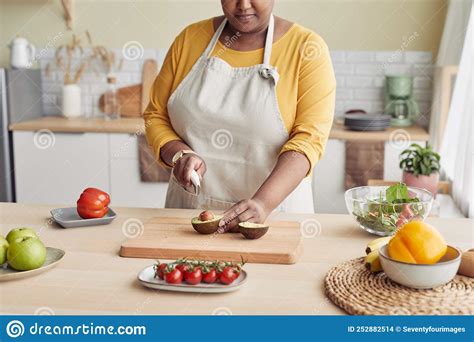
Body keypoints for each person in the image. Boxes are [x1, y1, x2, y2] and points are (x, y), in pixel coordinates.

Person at [143, 0, 336, 232]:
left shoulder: (306, 48)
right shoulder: (189, 39)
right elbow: (156, 115)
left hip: (276, 217)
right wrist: (178, 153)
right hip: (189, 215)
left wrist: (263, 204)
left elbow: (308, 141)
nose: (243, 5)